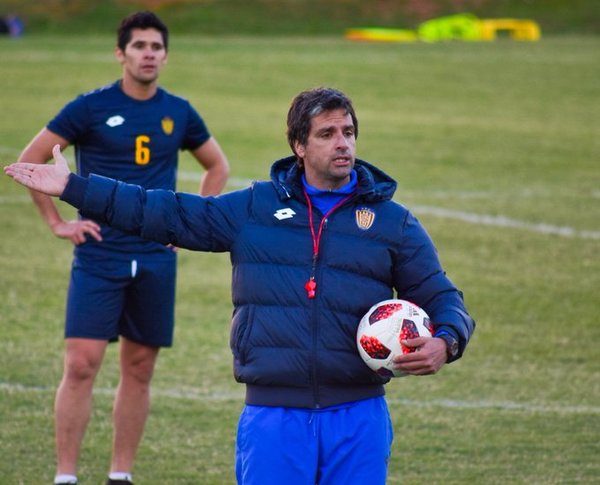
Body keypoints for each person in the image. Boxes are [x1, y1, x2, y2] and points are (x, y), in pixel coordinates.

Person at [6, 87, 474, 485]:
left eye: (348, 132)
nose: (342, 144)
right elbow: (165, 212)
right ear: (299, 144)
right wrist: (76, 189)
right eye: (327, 134)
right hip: (273, 416)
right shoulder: (254, 208)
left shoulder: (392, 223)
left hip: (359, 415)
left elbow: (442, 296)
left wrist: (446, 342)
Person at [14, 11, 229, 485]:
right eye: (139, 46)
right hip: (99, 254)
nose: (148, 53)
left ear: (165, 55)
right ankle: (65, 476)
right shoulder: (89, 109)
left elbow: (218, 166)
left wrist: (188, 226)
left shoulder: (179, 111)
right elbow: (29, 162)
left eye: (156, 46)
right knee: (81, 364)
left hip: (155, 257)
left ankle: (120, 475)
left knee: (139, 367)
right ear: (121, 53)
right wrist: (57, 224)